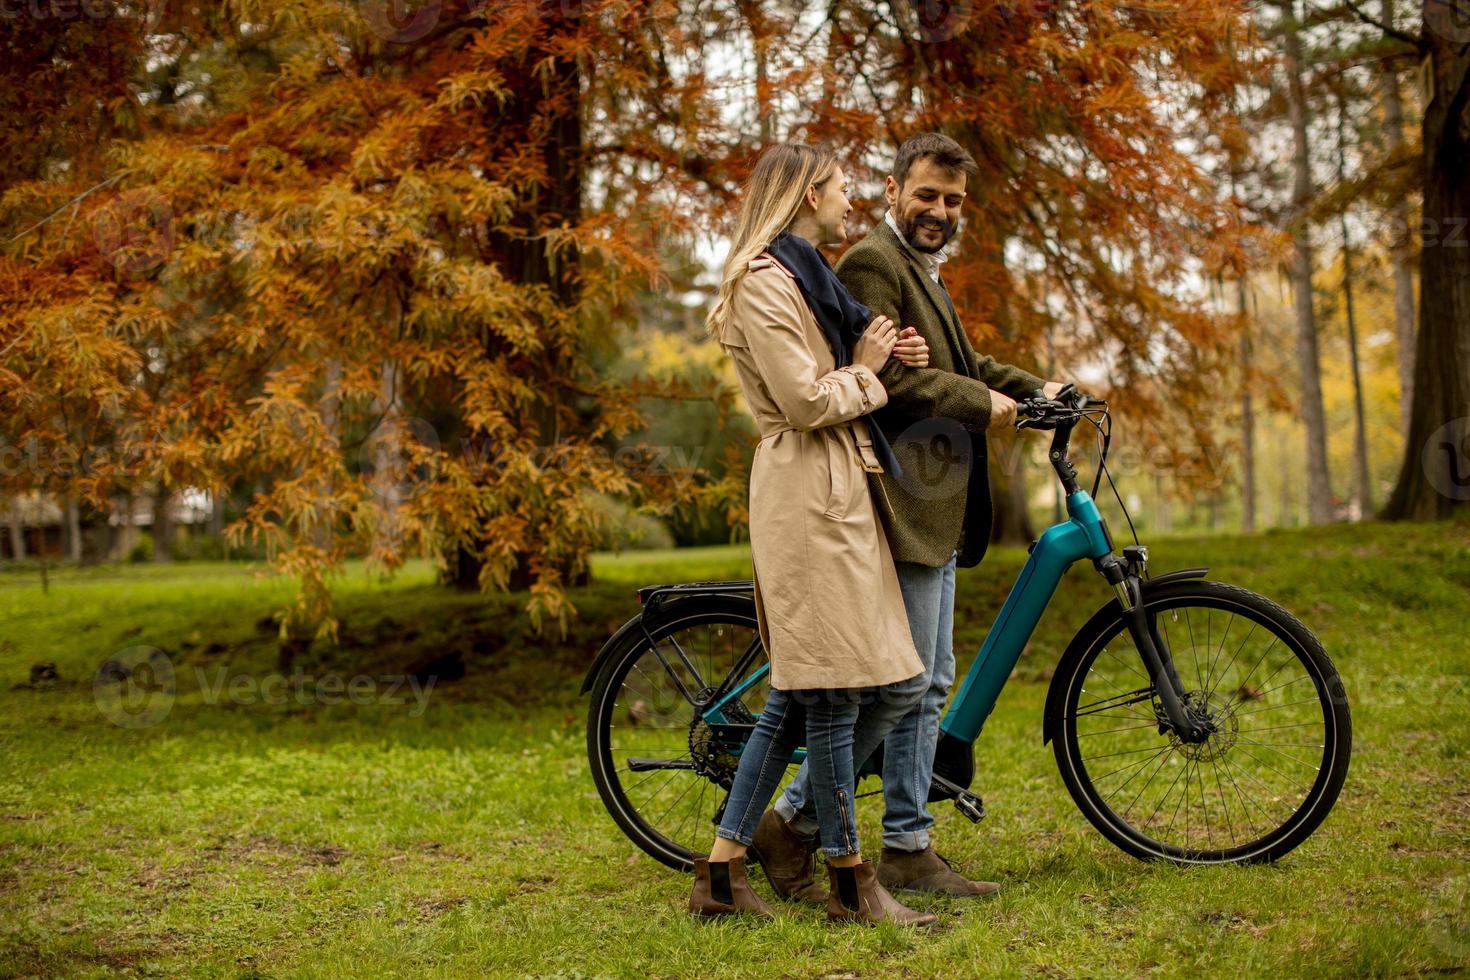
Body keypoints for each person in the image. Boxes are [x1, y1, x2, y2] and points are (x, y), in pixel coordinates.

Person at [757, 132, 1068, 902]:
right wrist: (981, 405)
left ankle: (905, 841)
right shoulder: (872, 261)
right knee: (908, 681)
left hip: (939, 499)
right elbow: (892, 378)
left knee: (931, 682)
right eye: (925, 195)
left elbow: (958, 366)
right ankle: (809, 822)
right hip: (901, 497)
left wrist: (1039, 392)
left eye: (953, 201)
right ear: (894, 191)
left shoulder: (922, 268)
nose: (939, 211)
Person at [689, 142, 937, 927]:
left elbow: (842, 361)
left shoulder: (804, 277)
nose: (845, 204)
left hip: (834, 490)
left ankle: (724, 873)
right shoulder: (763, 283)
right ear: (803, 196)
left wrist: (888, 355)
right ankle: (850, 885)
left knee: (815, 693)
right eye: (836, 190)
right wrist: (866, 369)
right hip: (806, 495)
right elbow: (802, 401)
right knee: (827, 695)